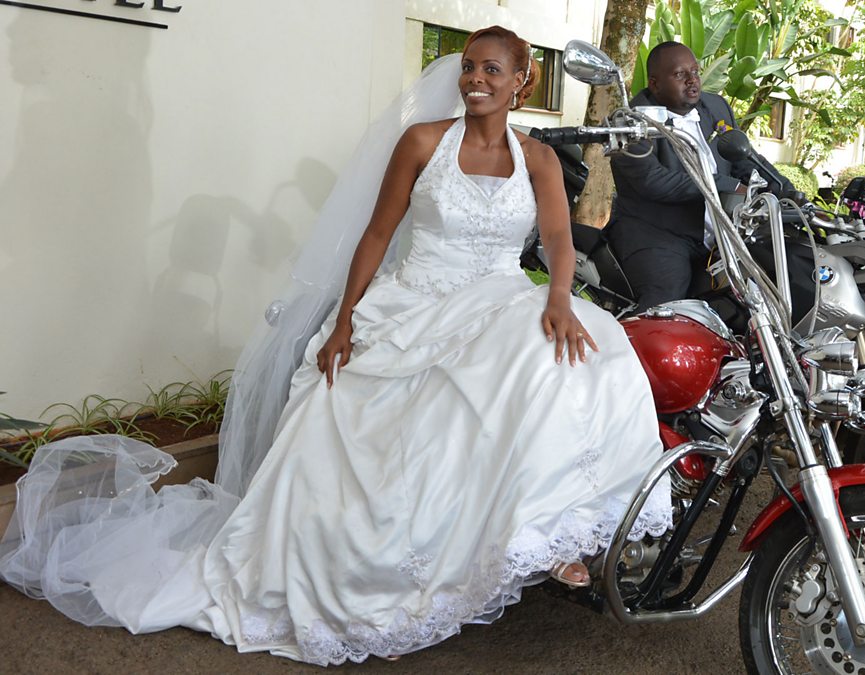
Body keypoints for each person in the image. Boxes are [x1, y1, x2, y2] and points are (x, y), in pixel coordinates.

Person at [0, 26, 671, 666]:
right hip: (415, 302)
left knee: (593, 350)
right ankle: (390, 592)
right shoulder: (422, 142)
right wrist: (346, 317)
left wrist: (558, 295)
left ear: (521, 83)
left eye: (491, 70)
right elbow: (377, 235)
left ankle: (555, 528)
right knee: (421, 415)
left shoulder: (540, 159)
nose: (474, 79)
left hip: (497, 296)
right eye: (468, 66)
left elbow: (558, 240)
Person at [607, 41, 795, 311]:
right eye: (680, 75)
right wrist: (721, 185)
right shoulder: (630, 121)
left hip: (722, 233)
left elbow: (742, 158)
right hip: (658, 234)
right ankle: (635, 350)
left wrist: (784, 189)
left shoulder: (715, 107)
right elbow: (652, 181)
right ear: (655, 83)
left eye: (694, 71)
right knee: (666, 303)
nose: (692, 81)